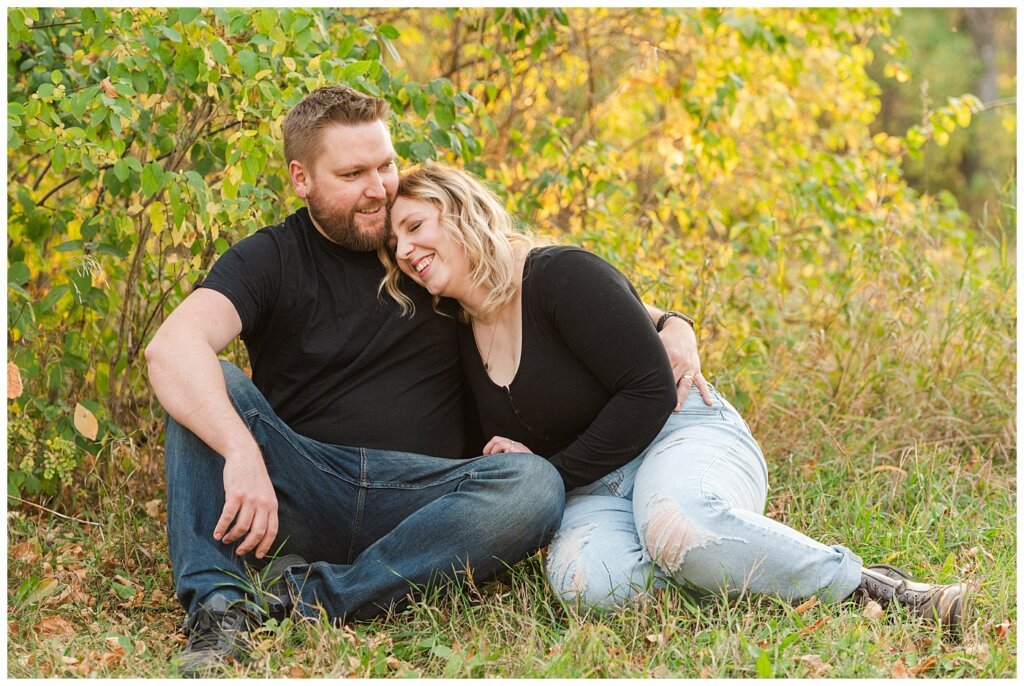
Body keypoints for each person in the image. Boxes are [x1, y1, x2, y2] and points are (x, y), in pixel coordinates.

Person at [144, 85, 704, 676]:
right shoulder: (269, 259)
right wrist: (240, 450)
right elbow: (171, 348)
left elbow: (539, 275)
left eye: (386, 165)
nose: (378, 188)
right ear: (301, 178)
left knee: (534, 483)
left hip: (425, 500)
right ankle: (218, 608)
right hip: (305, 488)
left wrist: (670, 322)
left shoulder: (430, 247)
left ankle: (313, 598)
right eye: (352, 172)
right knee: (210, 382)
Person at [382, 163, 972, 631]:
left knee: (679, 525)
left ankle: (873, 587)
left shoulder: (558, 274)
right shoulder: (456, 329)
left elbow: (648, 389)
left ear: (459, 211)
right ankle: (738, 573)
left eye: (415, 226)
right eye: (395, 243)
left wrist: (548, 474)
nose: (406, 250)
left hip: (678, 433)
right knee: (589, 584)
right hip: (594, 487)